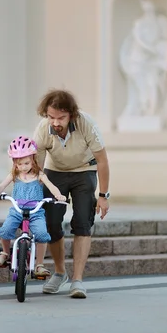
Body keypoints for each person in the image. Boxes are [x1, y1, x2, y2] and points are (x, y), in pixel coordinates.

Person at [33, 89, 111, 299]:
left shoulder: (86, 124)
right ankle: (60, 273)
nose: (55, 122)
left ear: (72, 115)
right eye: (51, 117)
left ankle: (77, 280)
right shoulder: (43, 129)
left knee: (82, 223)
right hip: (55, 173)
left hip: (83, 172)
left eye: (61, 118)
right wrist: (31, 193)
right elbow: (37, 166)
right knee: (50, 222)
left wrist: (103, 195)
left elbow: (102, 161)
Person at [0, 136, 67, 278]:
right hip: (17, 210)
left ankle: (39, 264)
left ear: (32, 159)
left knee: (42, 234)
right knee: (5, 230)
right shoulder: (14, 174)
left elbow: (51, 186)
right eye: (19, 164)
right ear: (14, 163)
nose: (23, 167)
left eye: (26, 163)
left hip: (36, 211)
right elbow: (1, 185)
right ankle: (5, 253)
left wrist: (59, 195)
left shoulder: (39, 175)